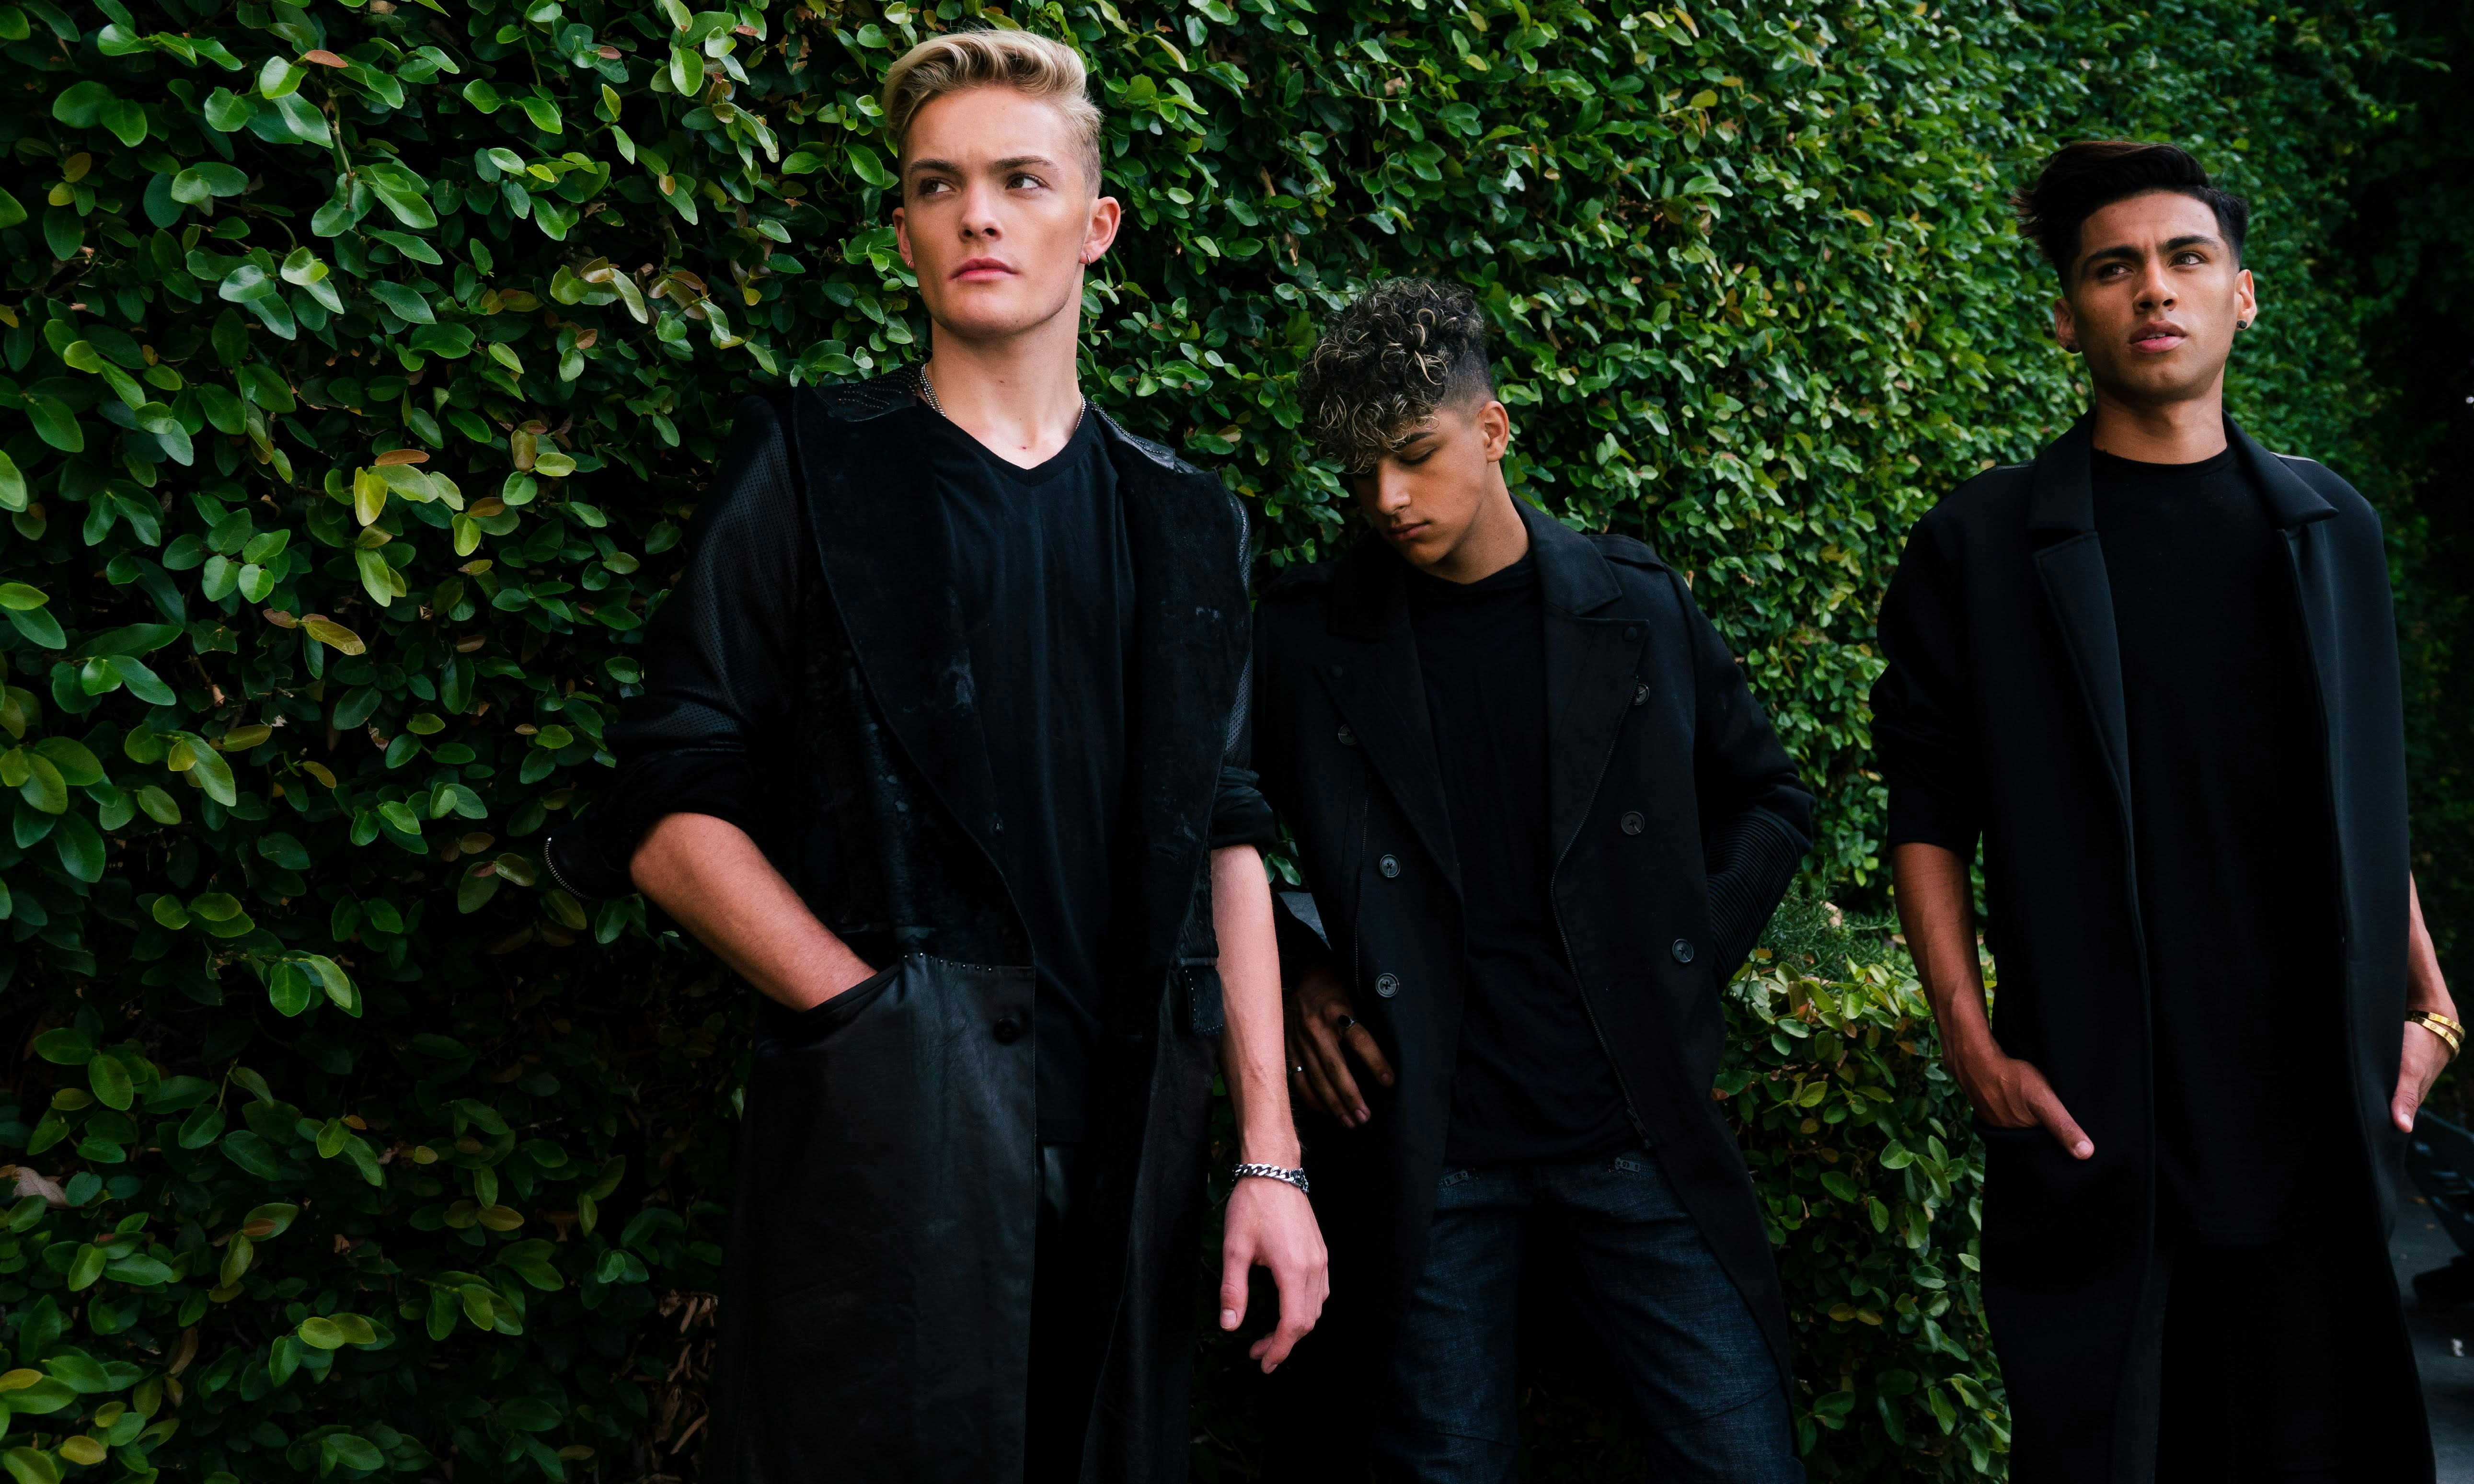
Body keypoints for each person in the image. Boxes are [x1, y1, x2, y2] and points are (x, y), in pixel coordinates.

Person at [544, 30, 1326, 1483]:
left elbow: (1230, 837)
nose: (976, 212)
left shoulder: (1188, 521)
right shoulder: (808, 464)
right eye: (936, 183)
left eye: (1019, 180)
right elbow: (665, 797)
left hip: (1133, 1151)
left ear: (1093, 226)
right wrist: (868, 1017)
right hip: (889, 1144)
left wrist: (1266, 1154)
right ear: (901, 228)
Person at [1871, 140, 2452, 1482]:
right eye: (2112, 267)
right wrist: (1969, 1039)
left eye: (2186, 259)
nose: (2154, 290)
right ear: (2068, 315)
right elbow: (1925, 805)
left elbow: (2366, 785)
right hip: (2099, 1104)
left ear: (2241, 295)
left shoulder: (2331, 527)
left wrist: (2426, 1004)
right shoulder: (1982, 542)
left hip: (2312, 1106)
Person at [1250, 278, 1812, 1482]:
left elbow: (1772, 796)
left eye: (1412, 455)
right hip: (1426, 1154)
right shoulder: (1304, 640)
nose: (1386, 501)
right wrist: (1296, 966)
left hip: (1633, 1134)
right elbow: (1207, 829)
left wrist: (1678, 957)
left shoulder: (1636, 606)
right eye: (1357, 474)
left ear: (1492, 428)